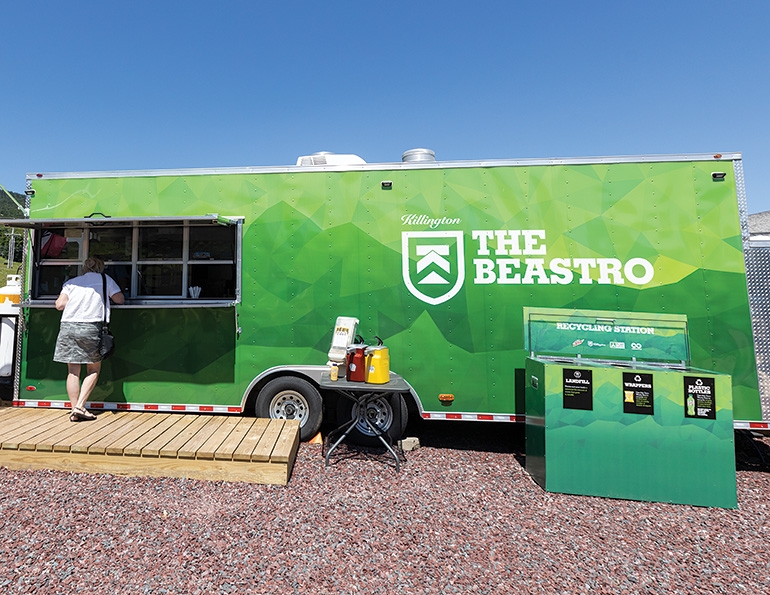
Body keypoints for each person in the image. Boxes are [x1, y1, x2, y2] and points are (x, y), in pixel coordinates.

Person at [54, 256, 124, 421]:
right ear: (101, 268)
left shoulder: (72, 282)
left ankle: (74, 410)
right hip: (90, 327)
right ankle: (80, 407)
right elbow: (119, 299)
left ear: (84, 268)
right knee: (93, 369)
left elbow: (60, 305)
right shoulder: (105, 279)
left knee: (73, 371)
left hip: (67, 326)